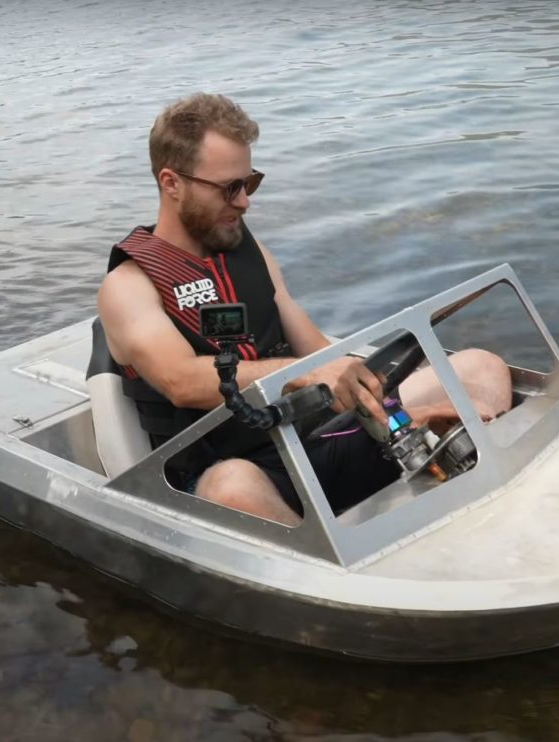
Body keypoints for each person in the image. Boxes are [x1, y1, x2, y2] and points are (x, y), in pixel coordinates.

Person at [97, 93, 512, 527]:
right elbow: (180, 381)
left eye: (250, 182)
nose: (244, 202)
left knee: (482, 368)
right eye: (229, 188)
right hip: (241, 472)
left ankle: (472, 491)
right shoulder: (128, 286)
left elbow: (318, 353)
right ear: (171, 183)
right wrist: (302, 374)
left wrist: (389, 403)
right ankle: (330, 562)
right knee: (231, 486)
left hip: (313, 439)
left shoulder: (249, 252)